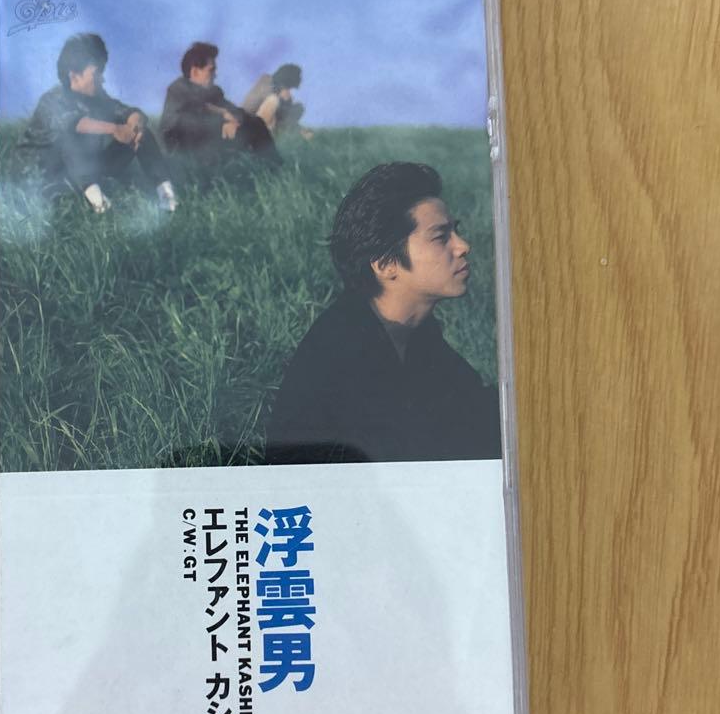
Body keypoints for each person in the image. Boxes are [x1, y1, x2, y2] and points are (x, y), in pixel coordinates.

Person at [265, 163, 502, 465]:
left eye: (456, 231)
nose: (463, 246)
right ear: (385, 264)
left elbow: (476, 410)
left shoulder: (416, 333)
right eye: (441, 237)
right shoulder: (344, 352)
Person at [17, 33, 177, 213]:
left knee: (142, 134)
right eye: (96, 73)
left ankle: (167, 196)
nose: (102, 79)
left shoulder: (96, 97)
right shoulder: (51, 100)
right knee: (71, 138)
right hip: (45, 178)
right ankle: (100, 205)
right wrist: (115, 129)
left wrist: (134, 123)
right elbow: (75, 124)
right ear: (74, 76)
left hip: (83, 171)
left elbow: (123, 110)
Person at [158, 42, 280, 168]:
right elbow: (185, 123)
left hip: (211, 145)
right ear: (195, 72)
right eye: (211, 70)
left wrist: (235, 121)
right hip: (187, 154)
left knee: (256, 123)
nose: (215, 75)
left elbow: (236, 111)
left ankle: (275, 169)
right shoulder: (177, 91)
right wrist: (222, 118)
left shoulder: (214, 92)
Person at [242, 63, 312, 139]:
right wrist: (279, 94)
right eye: (298, 76)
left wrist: (301, 130)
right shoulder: (266, 83)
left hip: (268, 128)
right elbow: (250, 107)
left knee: (297, 108)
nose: (300, 79)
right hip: (249, 126)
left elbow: (285, 118)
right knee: (273, 100)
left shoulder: (285, 94)